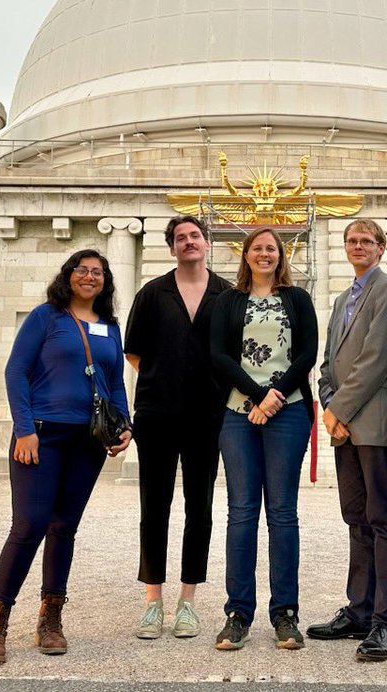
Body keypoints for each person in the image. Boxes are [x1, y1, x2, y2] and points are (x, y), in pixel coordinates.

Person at [0, 249, 132, 666]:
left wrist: (125, 425)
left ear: (106, 281)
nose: (90, 277)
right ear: (69, 275)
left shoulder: (110, 328)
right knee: (29, 525)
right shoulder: (47, 316)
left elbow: (115, 383)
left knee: (64, 528)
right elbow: (16, 372)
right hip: (41, 434)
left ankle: (51, 621)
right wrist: (24, 429)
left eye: (98, 272)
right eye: (82, 269)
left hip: (88, 440)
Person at [209, 227, 318, 652]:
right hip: (238, 413)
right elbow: (219, 355)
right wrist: (258, 395)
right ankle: (238, 614)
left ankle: (285, 614)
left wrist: (274, 397)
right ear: (246, 254)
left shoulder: (298, 299)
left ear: (280, 255)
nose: (264, 254)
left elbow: (307, 352)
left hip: (288, 412)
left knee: (282, 512)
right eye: (257, 248)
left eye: (271, 248)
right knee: (241, 512)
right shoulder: (229, 301)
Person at [124, 215, 232, 640]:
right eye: (181, 238)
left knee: (199, 508)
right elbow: (134, 352)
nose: (189, 242)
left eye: (195, 236)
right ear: (172, 248)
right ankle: (154, 600)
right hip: (157, 414)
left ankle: (188, 600)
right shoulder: (152, 293)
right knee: (154, 507)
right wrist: (167, 378)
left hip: (208, 417)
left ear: (207, 243)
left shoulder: (227, 293)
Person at [307, 219, 387, 662]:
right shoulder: (340, 298)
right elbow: (327, 363)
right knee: (357, 518)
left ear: (381, 249)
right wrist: (329, 404)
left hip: (375, 425)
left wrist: (337, 410)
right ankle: (360, 611)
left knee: (384, 520)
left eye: (367, 241)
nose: (358, 246)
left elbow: (376, 359)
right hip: (344, 426)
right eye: (352, 240)